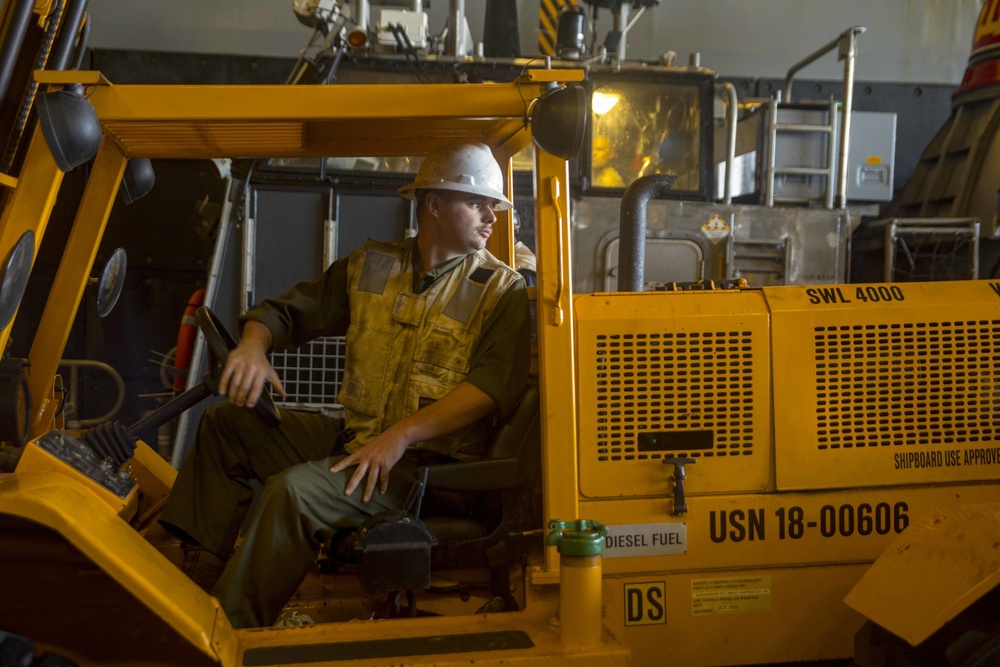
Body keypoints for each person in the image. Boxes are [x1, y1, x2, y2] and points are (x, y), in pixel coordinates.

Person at [158, 141, 531, 628]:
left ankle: (226, 634)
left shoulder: (502, 291)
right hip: (360, 440)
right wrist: (252, 345)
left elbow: (489, 388)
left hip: (425, 471)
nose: (492, 217)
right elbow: (287, 313)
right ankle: (198, 578)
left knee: (293, 493)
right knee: (228, 426)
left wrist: (399, 437)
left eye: (495, 206)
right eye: (479, 203)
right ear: (434, 205)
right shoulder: (373, 267)